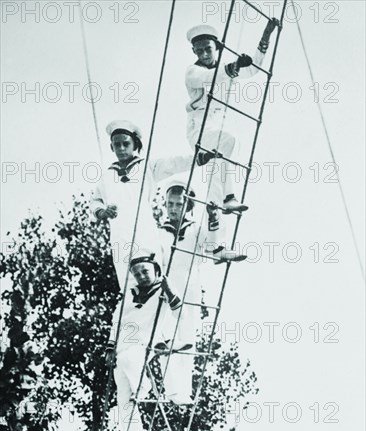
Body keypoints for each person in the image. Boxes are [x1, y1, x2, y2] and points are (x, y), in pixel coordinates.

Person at [158, 173, 247, 399]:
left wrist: (212, 215)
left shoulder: (195, 229)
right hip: (165, 286)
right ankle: (172, 390)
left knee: (187, 338)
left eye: (179, 204)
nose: (173, 209)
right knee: (167, 337)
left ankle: (184, 392)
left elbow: (211, 244)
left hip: (190, 284)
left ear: (187, 206)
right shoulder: (159, 231)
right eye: (170, 204)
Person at [90, 120, 194, 291]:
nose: (121, 149)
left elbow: (174, 163)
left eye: (126, 144)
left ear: (135, 144)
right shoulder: (107, 175)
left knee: (152, 277)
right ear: (112, 147)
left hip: (143, 231)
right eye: (117, 145)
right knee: (128, 284)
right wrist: (102, 212)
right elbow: (95, 200)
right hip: (119, 235)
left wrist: (200, 157)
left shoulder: (147, 166)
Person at [185, 19, 279, 208]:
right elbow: (207, 78)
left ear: (217, 48)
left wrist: (266, 36)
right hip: (199, 126)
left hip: (219, 124)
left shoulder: (225, 69)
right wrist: (233, 67)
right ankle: (228, 198)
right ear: (194, 51)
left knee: (222, 156)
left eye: (208, 49)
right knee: (229, 141)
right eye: (199, 50)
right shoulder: (192, 71)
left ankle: (220, 203)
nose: (204, 54)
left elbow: (252, 69)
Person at [106, 251, 192, 431]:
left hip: (147, 340)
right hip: (123, 343)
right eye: (137, 274)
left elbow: (182, 315)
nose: (141, 276)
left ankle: (143, 386)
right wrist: (110, 347)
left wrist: (170, 291)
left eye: (145, 271)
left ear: (155, 270)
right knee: (123, 395)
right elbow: (116, 321)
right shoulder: (129, 293)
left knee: (129, 361)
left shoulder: (162, 290)